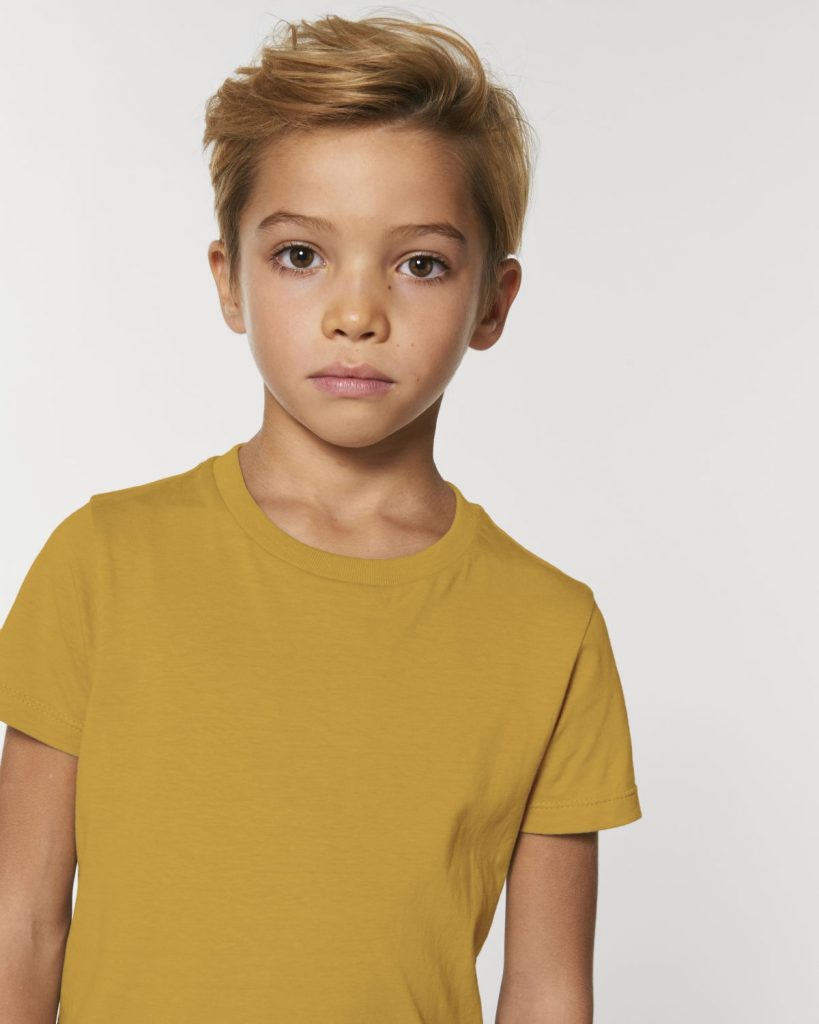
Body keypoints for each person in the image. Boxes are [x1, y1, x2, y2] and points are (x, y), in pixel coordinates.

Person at [0, 13, 642, 1023]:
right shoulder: (104, 562)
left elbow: (548, 988)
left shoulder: (550, 629)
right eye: (301, 254)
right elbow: (21, 926)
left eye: (419, 264)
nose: (356, 313)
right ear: (230, 282)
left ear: (493, 301)